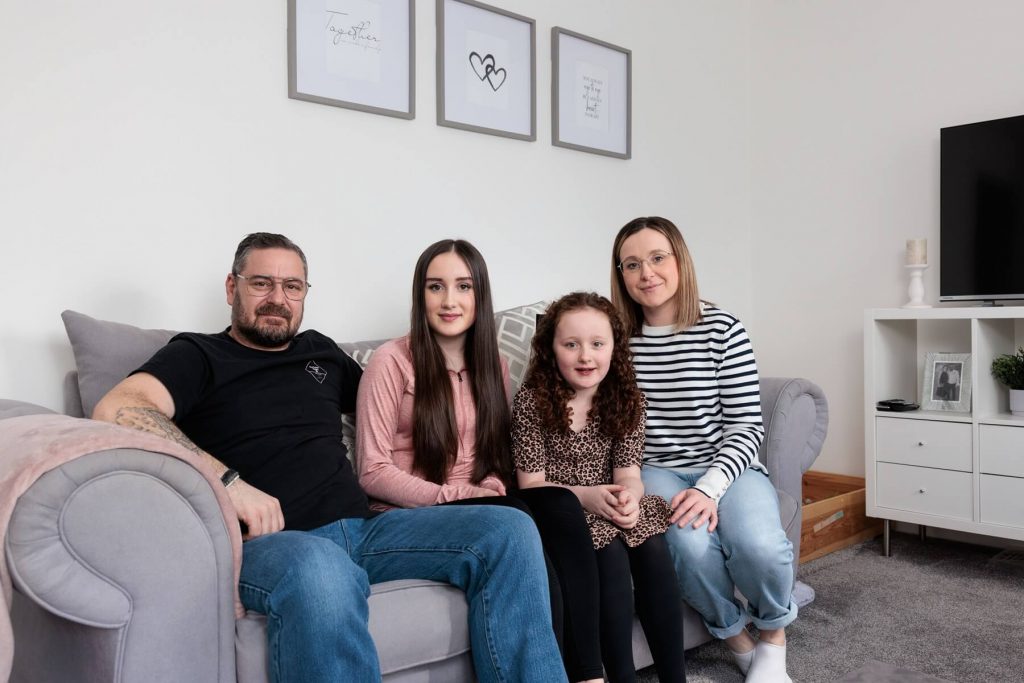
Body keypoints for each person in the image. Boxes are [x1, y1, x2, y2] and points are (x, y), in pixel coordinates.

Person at [92, 232, 567, 683]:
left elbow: (400, 409)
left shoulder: (319, 352)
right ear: (232, 287)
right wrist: (230, 483)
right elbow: (120, 407)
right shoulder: (199, 355)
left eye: (292, 286)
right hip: (274, 543)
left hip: (367, 530)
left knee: (507, 529)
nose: (278, 297)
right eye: (261, 283)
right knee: (322, 569)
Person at [356, 239, 604, 683]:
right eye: (436, 287)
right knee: (517, 520)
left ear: (479, 295)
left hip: (481, 502)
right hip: (412, 513)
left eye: (463, 287)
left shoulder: (491, 360)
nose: (449, 300)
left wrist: (488, 481)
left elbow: (493, 450)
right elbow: (371, 470)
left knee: (561, 505)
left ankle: (588, 674)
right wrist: (460, 493)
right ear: (421, 295)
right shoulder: (392, 362)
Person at [610, 217, 797, 683]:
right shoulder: (617, 342)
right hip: (655, 469)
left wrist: (711, 488)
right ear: (621, 275)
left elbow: (746, 426)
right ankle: (737, 639)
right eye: (632, 264)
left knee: (760, 547)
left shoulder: (722, 328)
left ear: (680, 261)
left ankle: (774, 636)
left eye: (657, 258)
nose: (646, 273)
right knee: (689, 550)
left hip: (728, 467)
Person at [512, 291, 686, 683]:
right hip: (562, 510)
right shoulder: (532, 402)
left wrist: (630, 496)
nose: (585, 356)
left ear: (614, 349)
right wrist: (587, 496)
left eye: (597, 344)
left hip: (608, 501)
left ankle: (676, 678)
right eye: (570, 345)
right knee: (608, 555)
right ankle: (622, 677)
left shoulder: (627, 400)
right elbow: (532, 484)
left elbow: (628, 470)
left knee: (651, 544)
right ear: (551, 349)